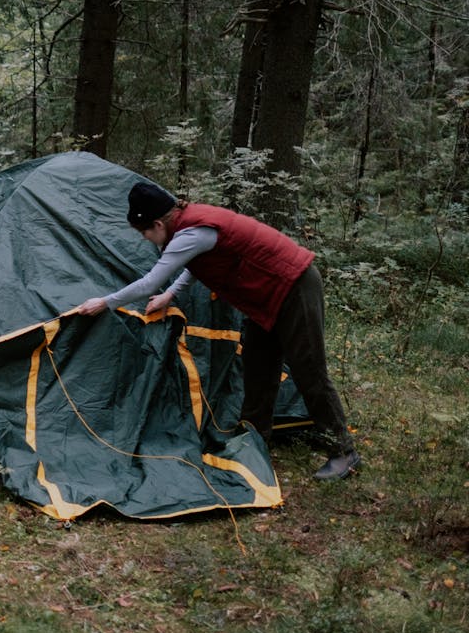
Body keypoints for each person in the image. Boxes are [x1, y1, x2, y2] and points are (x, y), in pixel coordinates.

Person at [76, 181, 361, 481]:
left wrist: (104, 302)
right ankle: (254, 438)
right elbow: (194, 265)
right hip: (265, 297)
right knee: (258, 366)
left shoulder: (190, 232)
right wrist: (170, 295)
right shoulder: (190, 229)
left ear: (158, 223)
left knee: (309, 370)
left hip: (293, 285)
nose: (148, 239)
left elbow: (149, 282)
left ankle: (344, 452)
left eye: (146, 232)